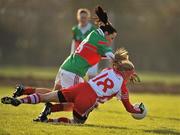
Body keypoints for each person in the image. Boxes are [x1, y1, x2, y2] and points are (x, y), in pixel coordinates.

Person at [1, 48, 143, 124]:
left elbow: (115, 75)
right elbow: (129, 108)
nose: (131, 78)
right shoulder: (122, 89)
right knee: (77, 122)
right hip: (89, 98)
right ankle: (48, 121)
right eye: (131, 75)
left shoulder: (108, 70)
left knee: (46, 97)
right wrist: (139, 109)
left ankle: (20, 100)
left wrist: (127, 73)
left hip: (81, 88)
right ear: (126, 73)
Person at [71, 8, 98, 79]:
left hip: (91, 56)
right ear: (78, 17)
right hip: (80, 56)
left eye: (85, 17)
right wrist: (72, 55)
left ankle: (91, 90)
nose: (83, 19)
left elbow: (97, 44)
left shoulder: (93, 29)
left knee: (92, 77)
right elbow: (74, 43)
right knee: (77, 76)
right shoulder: (75, 29)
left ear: (88, 18)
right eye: (81, 17)